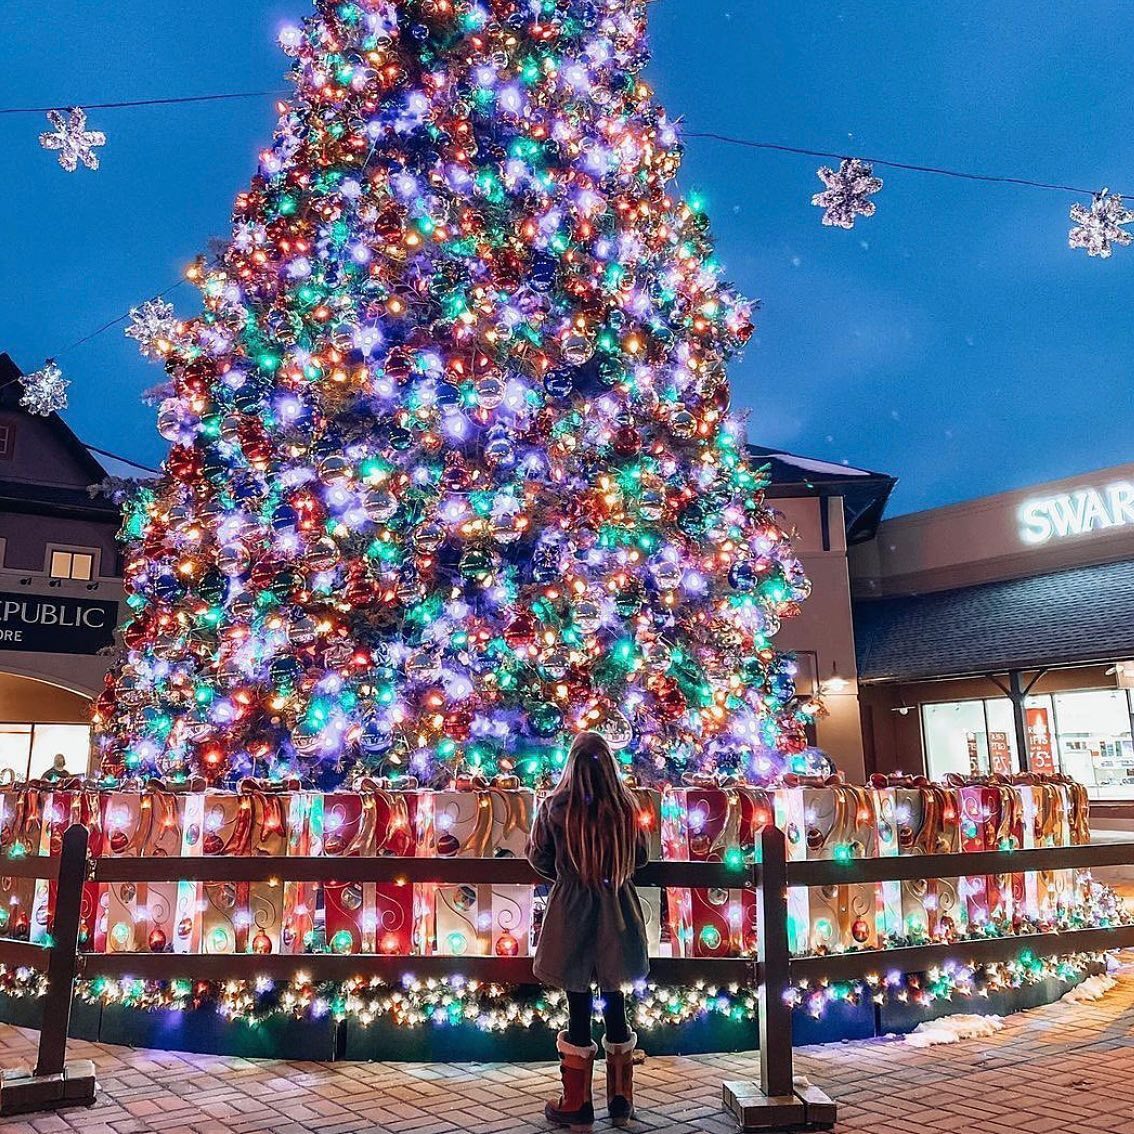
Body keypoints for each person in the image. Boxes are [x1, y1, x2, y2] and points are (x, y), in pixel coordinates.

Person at [528, 731, 649, 1131]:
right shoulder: (625, 808)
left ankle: (576, 1102)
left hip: (572, 914)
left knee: (577, 999)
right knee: (614, 996)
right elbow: (641, 857)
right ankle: (620, 1098)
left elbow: (538, 856)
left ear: (572, 765)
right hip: (616, 909)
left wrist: (568, 878)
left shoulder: (554, 808)